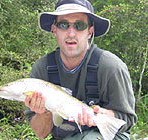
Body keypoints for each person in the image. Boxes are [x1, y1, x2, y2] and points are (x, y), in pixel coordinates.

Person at [24, 0, 137, 139]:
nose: (71, 33)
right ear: (54, 29)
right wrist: (44, 112)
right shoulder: (41, 69)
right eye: (63, 25)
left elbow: (128, 119)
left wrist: (100, 116)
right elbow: (41, 133)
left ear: (90, 32)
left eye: (79, 25)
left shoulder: (111, 67)